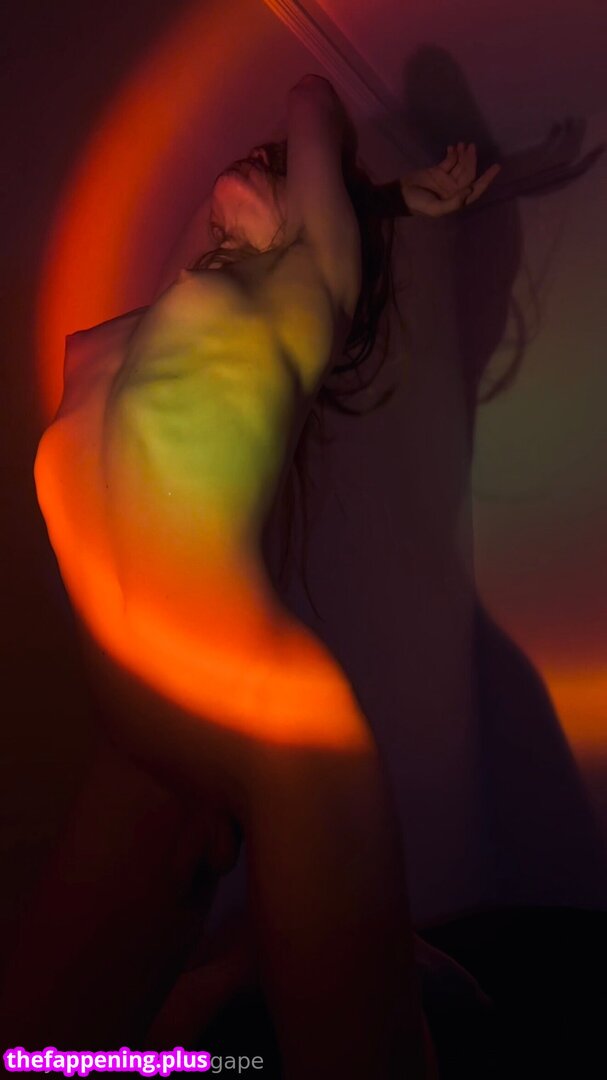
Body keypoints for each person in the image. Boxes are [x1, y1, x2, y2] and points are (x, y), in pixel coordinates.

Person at [2, 74, 500, 1078]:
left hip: (278, 732)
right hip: (145, 746)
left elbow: (312, 97)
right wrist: (364, 197)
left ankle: (301, 979)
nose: (255, 162)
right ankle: (243, 977)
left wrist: (374, 198)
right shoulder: (145, 323)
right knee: (35, 1056)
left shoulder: (312, 281)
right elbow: (211, 219)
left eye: (279, 172)